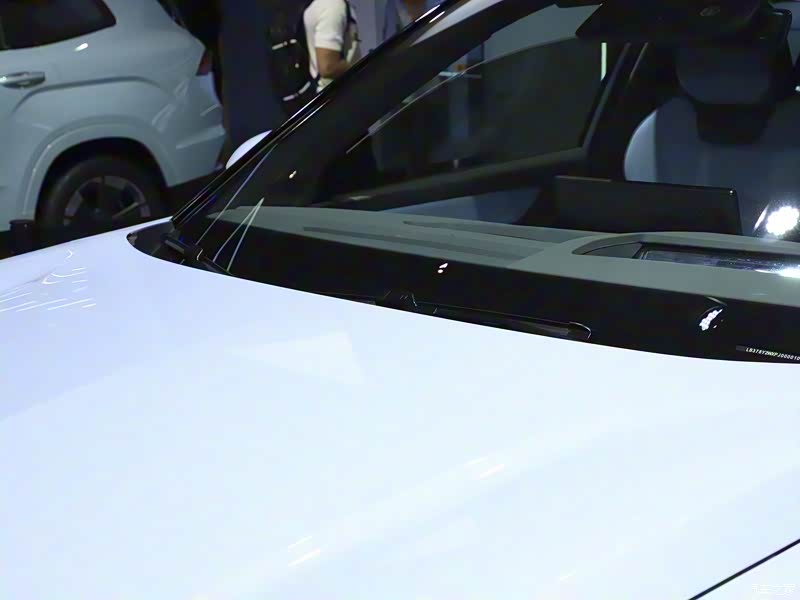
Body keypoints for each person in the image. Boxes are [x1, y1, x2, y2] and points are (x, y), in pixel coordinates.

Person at [304, 0, 361, 94]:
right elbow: (328, 67)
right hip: (337, 95)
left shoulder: (324, 4)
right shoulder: (333, 7)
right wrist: (361, 68)